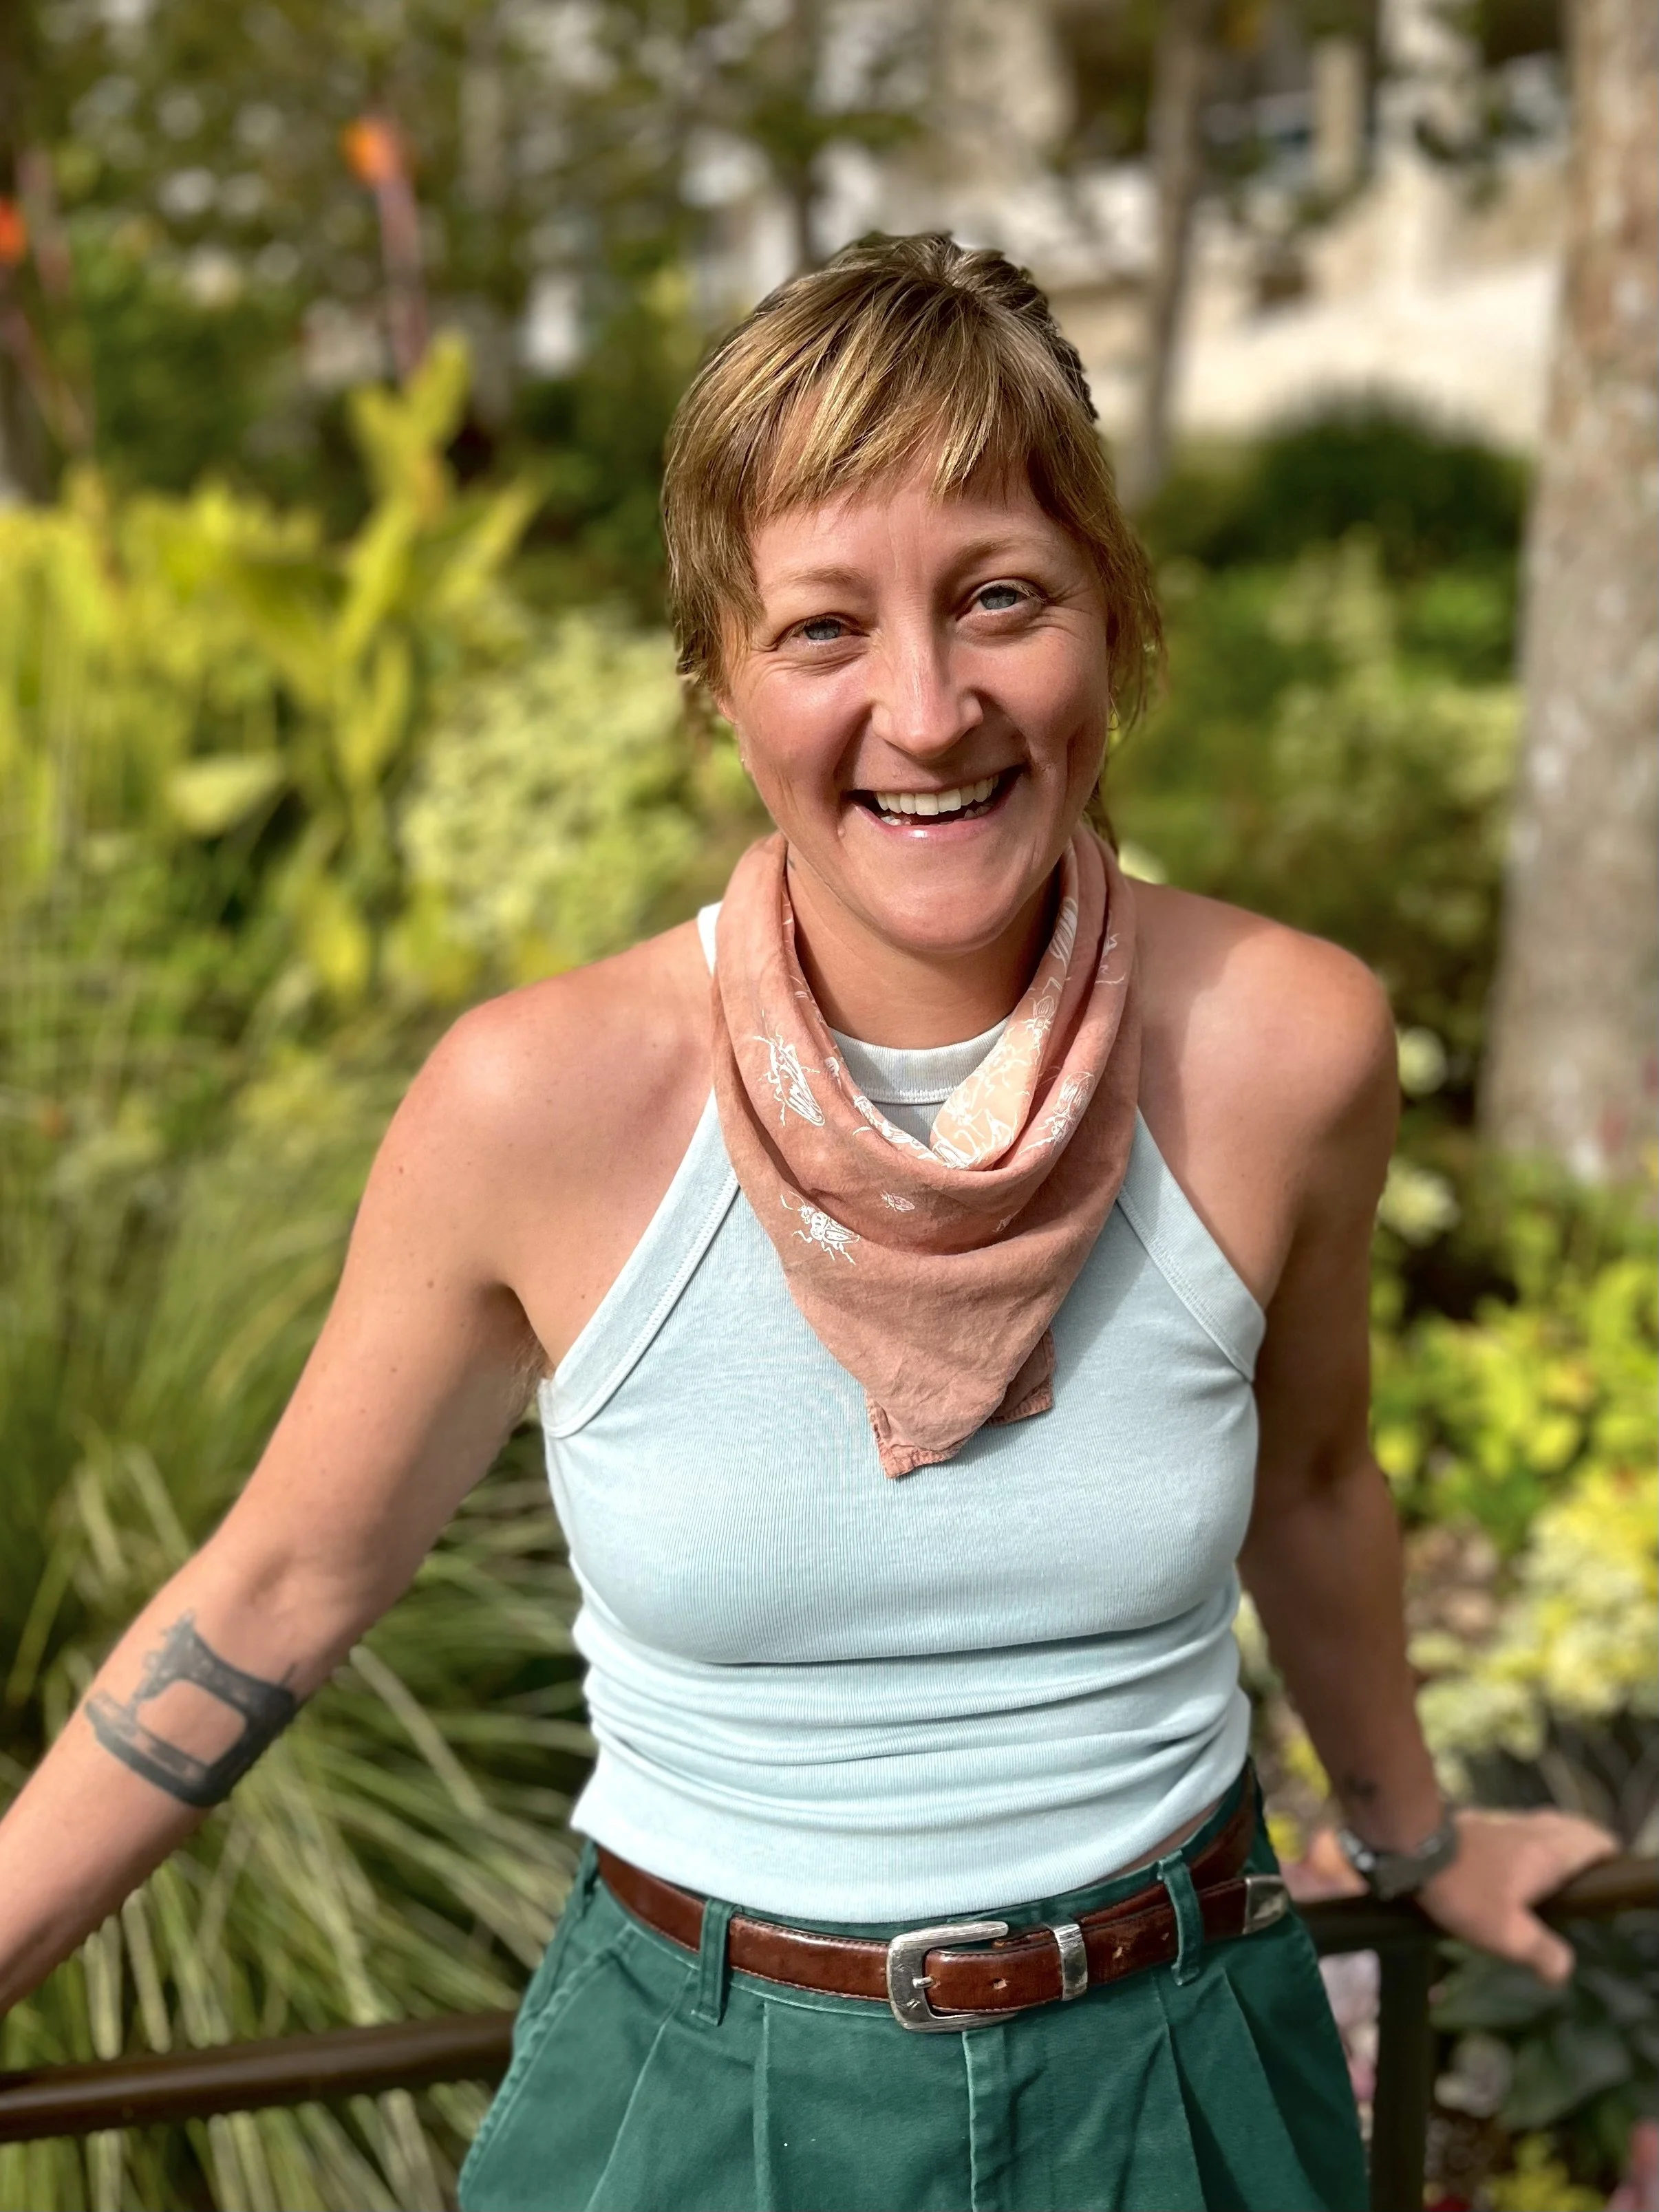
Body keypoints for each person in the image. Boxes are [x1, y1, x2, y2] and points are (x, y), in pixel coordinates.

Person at [0, 235, 1613, 2212]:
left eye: (1001, 597)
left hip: (1178, 2070)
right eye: (826, 626)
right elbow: (277, 1591)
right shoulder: (542, 1103)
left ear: (1117, 621)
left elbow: (1317, 1481)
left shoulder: (1277, 1047)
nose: (926, 710)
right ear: (720, 681)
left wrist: (1416, 1832)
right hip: (697, 2090)